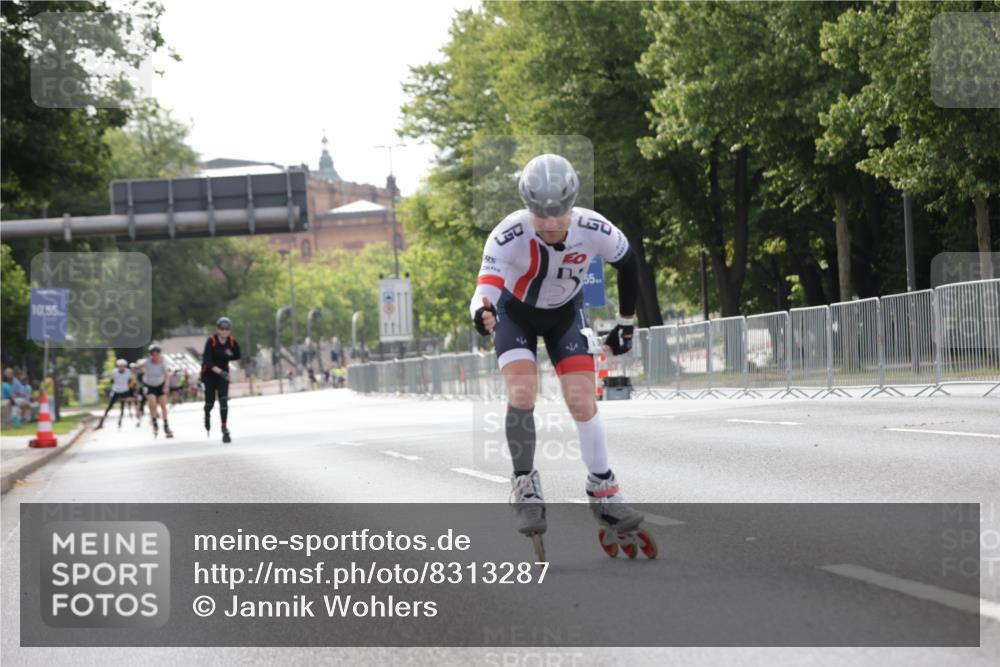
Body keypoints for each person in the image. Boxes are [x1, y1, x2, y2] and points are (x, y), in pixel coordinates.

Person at [469, 153, 651, 555]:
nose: (551, 223)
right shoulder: (508, 233)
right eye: (540, 214)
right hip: (515, 314)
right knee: (522, 392)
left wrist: (625, 322)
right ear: (527, 208)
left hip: (565, 314)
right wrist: (481, 311)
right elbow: (485, 286)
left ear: (573, 205)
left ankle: (604, 489)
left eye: (559, 213)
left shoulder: (593, 227)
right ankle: (524, 485)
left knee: (582, 397)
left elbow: (629, 263)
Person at [202, 316, 241, 443]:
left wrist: (229, 355)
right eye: (222, 328)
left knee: (223, 400)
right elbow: (207, 361)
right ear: (218, 329)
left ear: (229, 330)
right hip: (210, 374)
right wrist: (220, 371)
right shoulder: (211, 341)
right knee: (210, 402)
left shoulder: (231, 341)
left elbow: (237, 355)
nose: (224, 331)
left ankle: (224, 427)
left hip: (223, 375)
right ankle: (207, 413)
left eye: (227, 329)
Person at [143, 346, 173, 438]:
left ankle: (166, 425)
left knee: (163, 405)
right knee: (152, 405)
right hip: (150, 385)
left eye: (157, 355)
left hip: (161, 385)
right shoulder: (147, 362)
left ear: (159, 354)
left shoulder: (163, 362)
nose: (155, 357)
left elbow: (167, 374)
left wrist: (166, 386)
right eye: (153, 355)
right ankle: (155, 423)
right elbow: (140, 368)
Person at [95, 359, 133, 430]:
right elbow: (111, 380)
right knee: (109, 407)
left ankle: (120, 421)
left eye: (123, 366)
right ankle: (101, 422)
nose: (121, 368)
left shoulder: (128, 372)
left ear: (125, 366)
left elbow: (130, 381)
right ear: (117, 366)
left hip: (124, 391)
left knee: (122, 407)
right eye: (120, 366)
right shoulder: (114, 372)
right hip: (116, 390)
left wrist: (131, 391)